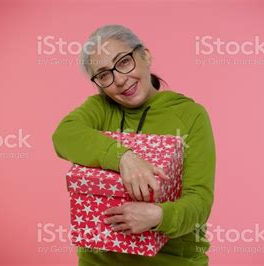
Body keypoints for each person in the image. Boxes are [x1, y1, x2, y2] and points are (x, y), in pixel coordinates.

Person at [52, 24, 216, 266]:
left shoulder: (190, 115)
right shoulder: (99, 108)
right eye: (104, 74)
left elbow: (199, 201)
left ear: (145, 56)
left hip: (172, 261)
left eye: (124, 62)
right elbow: (64, 135)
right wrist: (123, 157)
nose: (119, 79)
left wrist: (159, 216)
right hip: (99, 260)